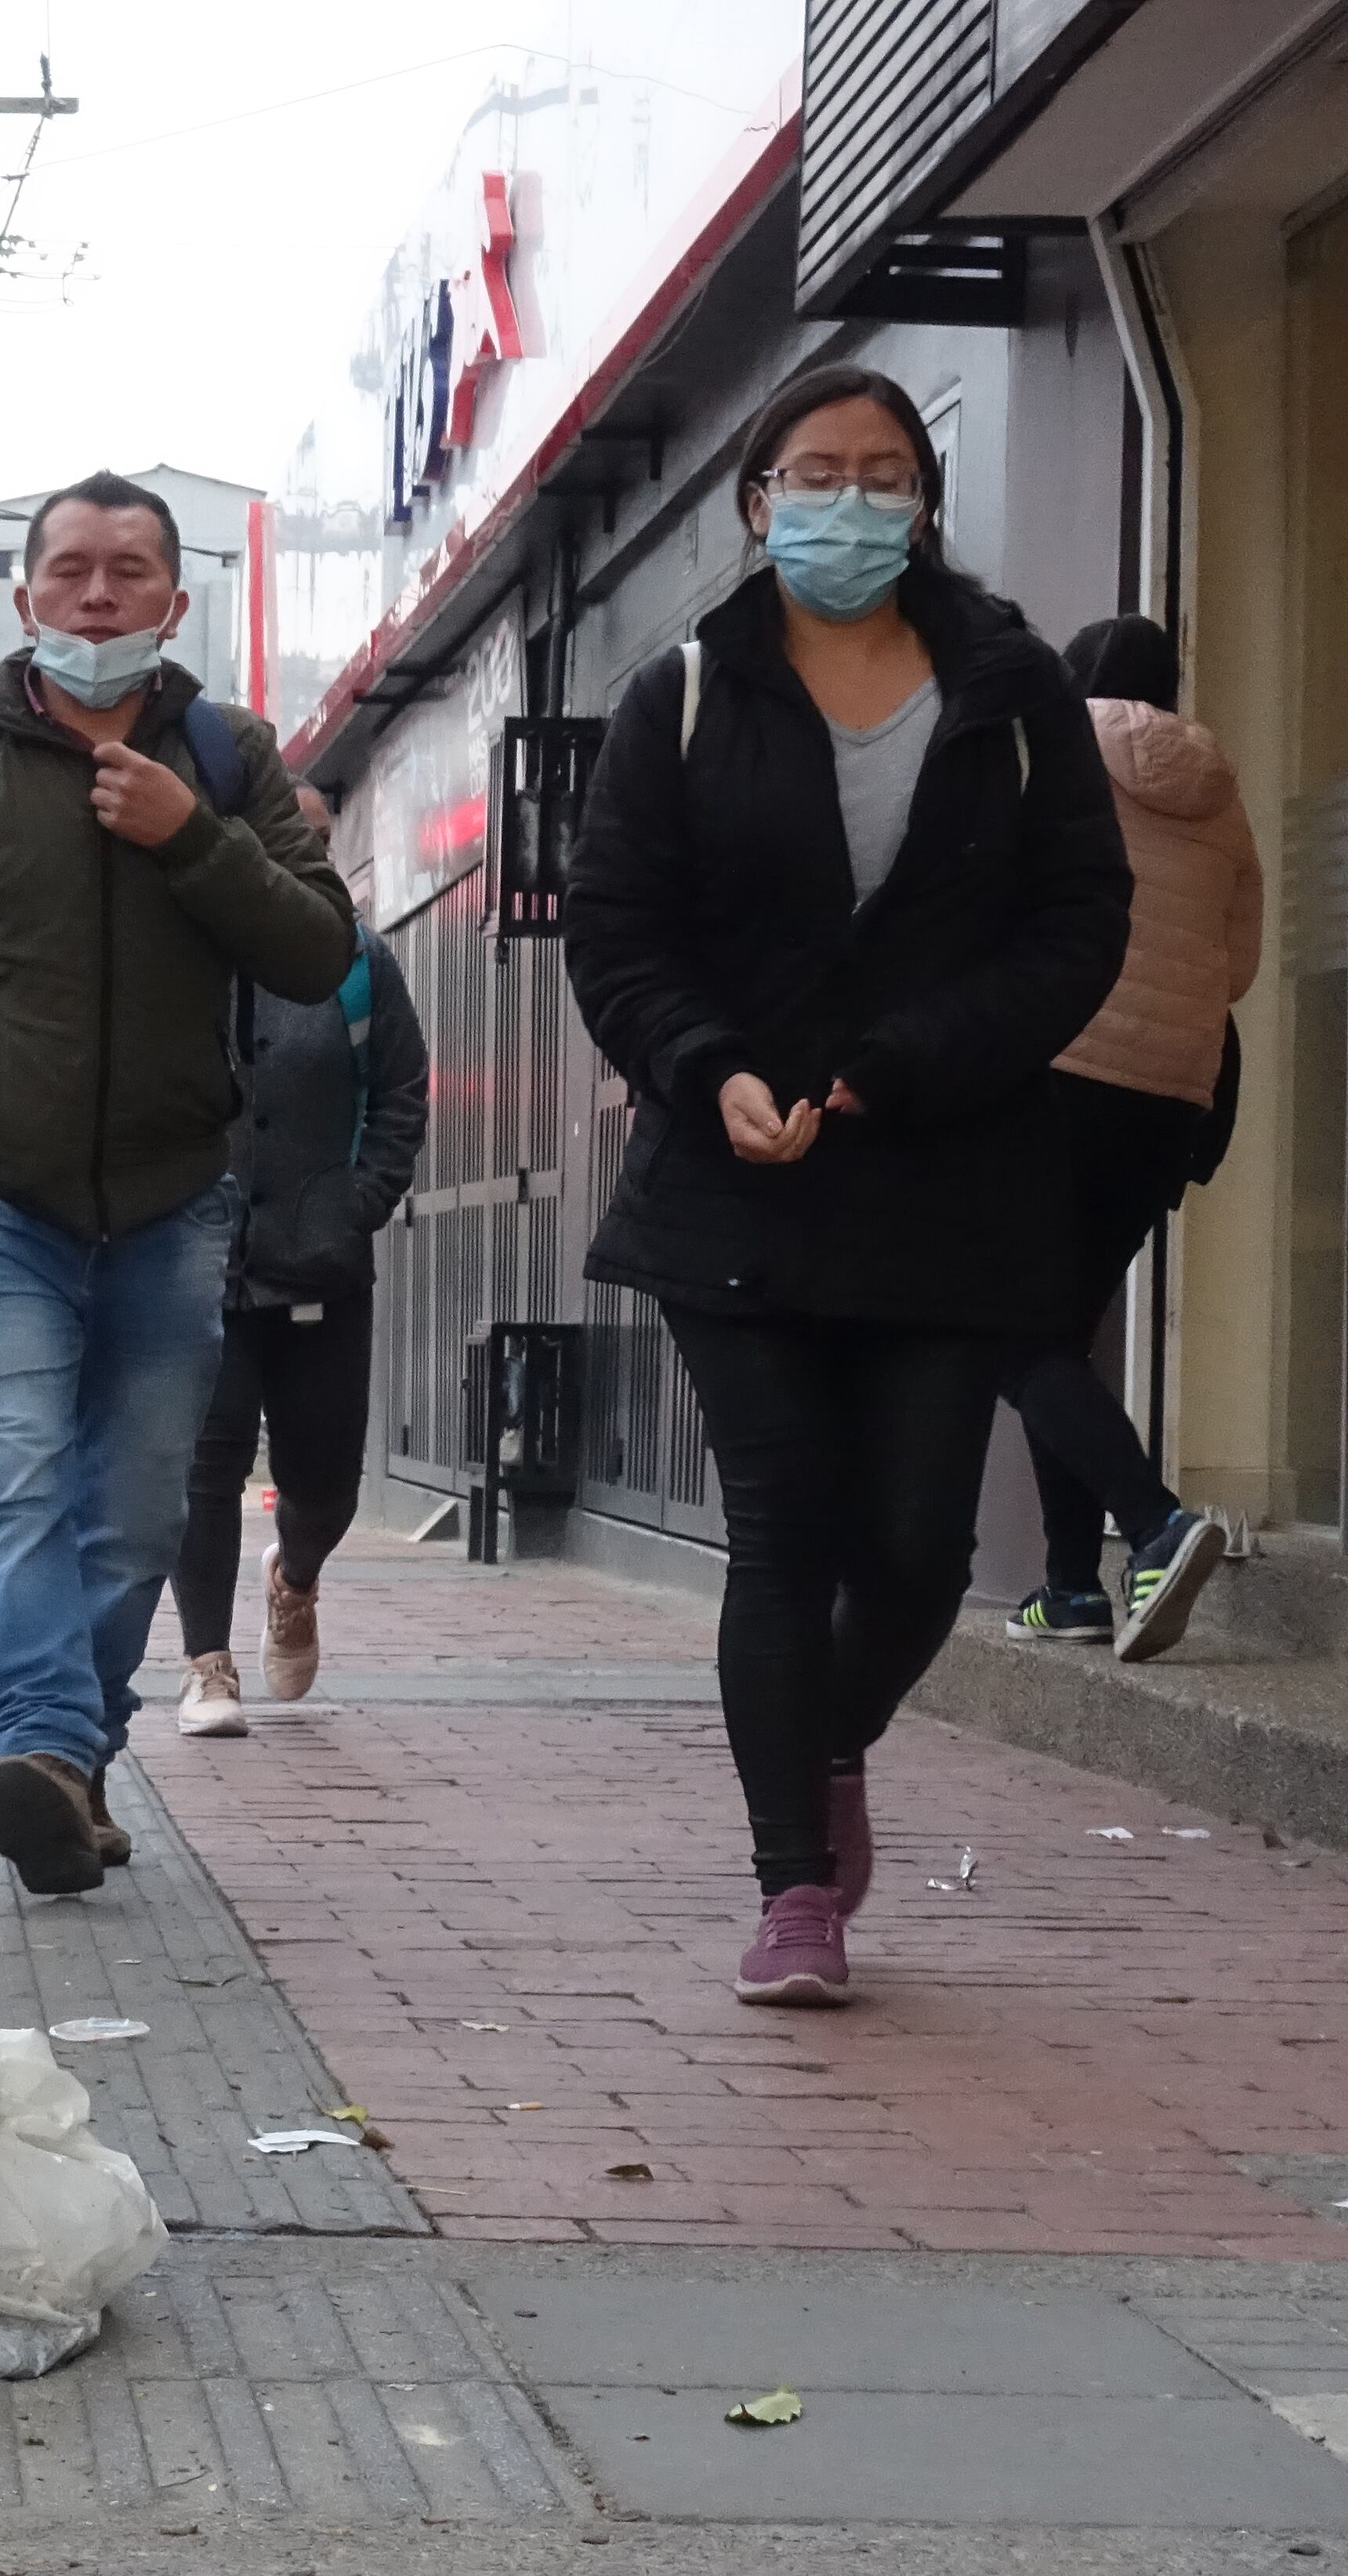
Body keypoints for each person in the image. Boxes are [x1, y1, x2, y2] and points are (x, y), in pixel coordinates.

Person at [563, 363, 1130, 2008]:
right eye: (815, 472)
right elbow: (617, 929)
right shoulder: (677, 694)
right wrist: (708, 1064)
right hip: (729, 1183)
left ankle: (827, 1741)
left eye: (885, 474)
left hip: (947, 1181)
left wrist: (896, 1066)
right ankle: (790, 1887)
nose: (850, 501)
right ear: (754, 500)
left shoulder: (1016, 692)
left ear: (925, 500)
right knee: (779, 1525)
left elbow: (1076, 927)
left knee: (915, 1552)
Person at [0, 469, 357, 1897]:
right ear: (24, 593)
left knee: (131, 1513)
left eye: (128, 573)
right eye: (70, 571)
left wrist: (190, 834)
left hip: (177, 1203)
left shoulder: (228, 756)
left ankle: (63, 1764)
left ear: (178, 603)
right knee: (19, 1482)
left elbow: (315, 953)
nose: (97, 596)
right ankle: (49, 1746)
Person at [996, 612, 1256, 1662]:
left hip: (1057, 1076)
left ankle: (1155, 1522)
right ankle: (1071, 1585)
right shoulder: (1223, 797)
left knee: (1009, 1331)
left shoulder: (1045, 753)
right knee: (1057, 1331)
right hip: (1167, 1102)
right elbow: (1234, 971)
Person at [172, 784, 429, 1733]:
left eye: (319, 841)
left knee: (323, 1484)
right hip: (200, 1259)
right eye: (286, 838)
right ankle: (205, 1664)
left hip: (321, 1263)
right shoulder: (185, 951)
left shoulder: (361, 966)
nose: (302, 854)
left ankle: (295, 1574)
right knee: (203, 1469)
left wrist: (354, 1204)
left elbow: (402, 1091)